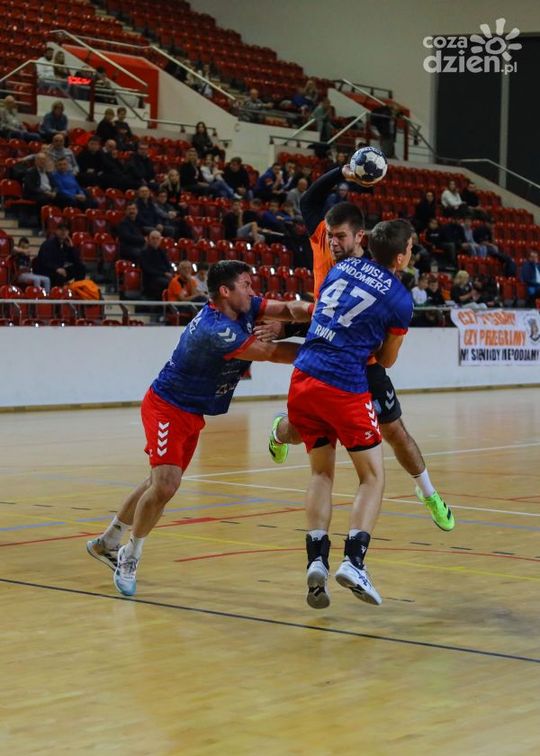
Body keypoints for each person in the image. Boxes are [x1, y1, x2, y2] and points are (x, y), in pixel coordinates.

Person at [86, 260, 312, 596]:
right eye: (246, 285)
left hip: (191, 410)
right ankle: (129, 555)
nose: (252, 291)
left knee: (156, 483)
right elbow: (272, 353)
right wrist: (327, 351)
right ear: (225, 291)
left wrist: (321, 311)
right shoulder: (216, 329)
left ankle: (108, 540)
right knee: (165, 485)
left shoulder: (244, 305)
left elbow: (287, 309)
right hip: (167, 406)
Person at [262, 162, 455, 536]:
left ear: (360, 238)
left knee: (396, 432)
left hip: (359, 361)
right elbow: (310, 200)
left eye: (341, 237)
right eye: (331, 236)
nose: (334, 242)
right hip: (324, 350)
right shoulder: (323, 243)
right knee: (302, 430)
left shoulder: (367, 271)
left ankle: (429, 492)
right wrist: (344, 172)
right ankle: (278, 432)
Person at [285, 219, 414, 608]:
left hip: (304, 377)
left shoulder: (342, 267)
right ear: (400, 256)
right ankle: (354, 562)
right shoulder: (400, 298)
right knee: (372, 476)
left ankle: (316, 560)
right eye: (411, 247)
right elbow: (386, 360)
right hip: (344, 385)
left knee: (321, 473)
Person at [140, 229, 174, 300]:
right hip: (151, 279)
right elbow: (147, 269)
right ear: (149, 239)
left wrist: (170, 272)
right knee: (167, 283)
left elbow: (168, 265)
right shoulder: (144, 252)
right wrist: (164, 274)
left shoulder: (162, 251)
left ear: (160, 240)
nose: (155, 241)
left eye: (157, 238)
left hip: (163, 276)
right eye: (153, 238)